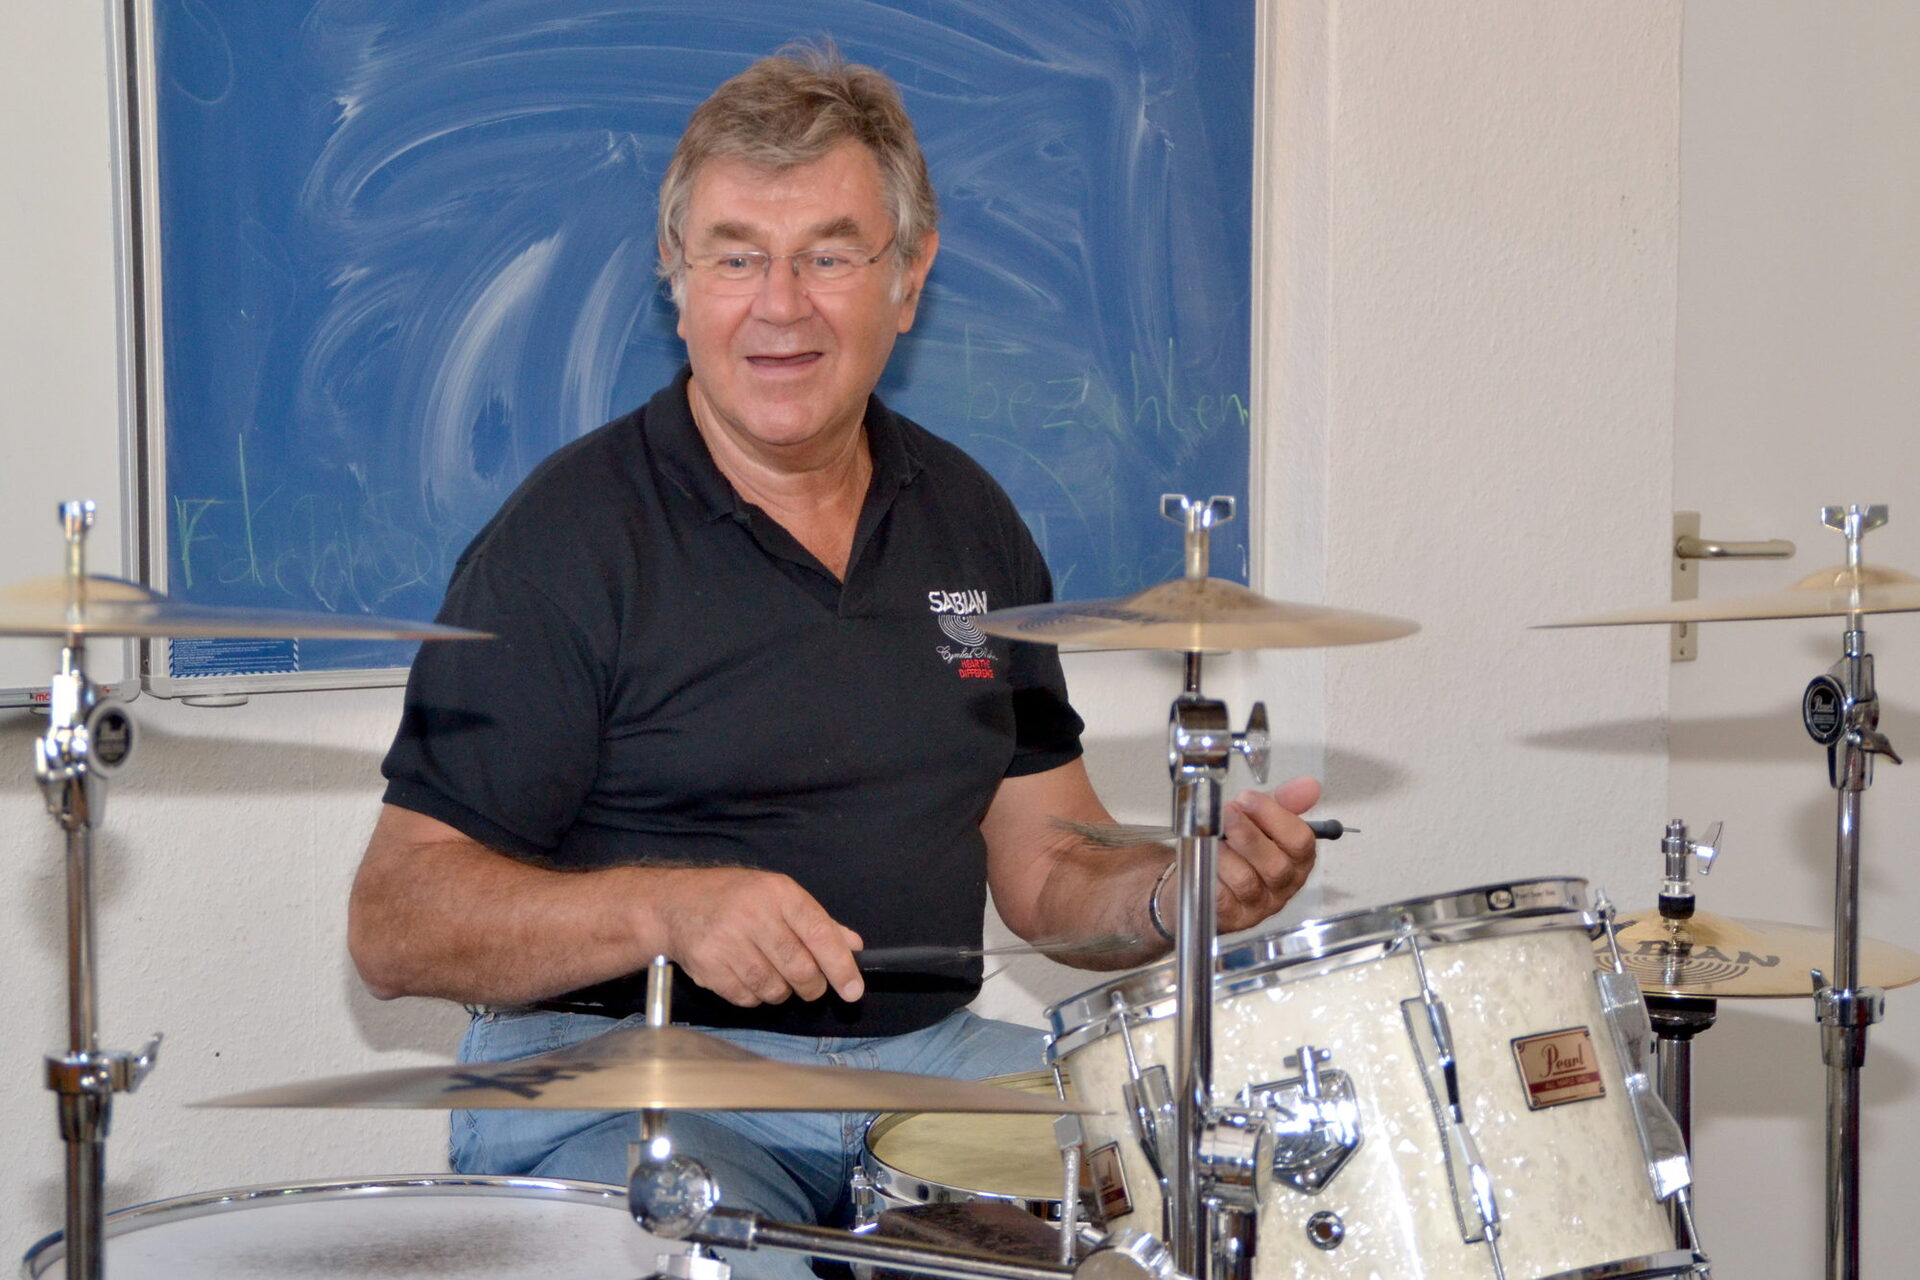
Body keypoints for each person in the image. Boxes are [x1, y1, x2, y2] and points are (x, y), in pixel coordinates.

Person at [348, 44, 1320, 1276]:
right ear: (676, 278)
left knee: (1208, 1192)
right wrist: (667, 908)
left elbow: (1045, 866)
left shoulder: (970, 521)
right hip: (631, 1076)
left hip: (922, 1065)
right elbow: (395, 920)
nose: (781, 304)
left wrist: (1180, 892)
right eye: (736, 255)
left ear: (908, 278)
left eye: (830, 255)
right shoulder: (564, 542)